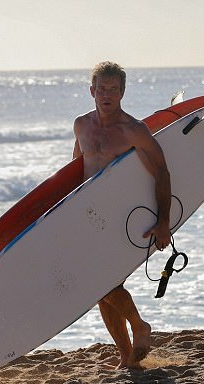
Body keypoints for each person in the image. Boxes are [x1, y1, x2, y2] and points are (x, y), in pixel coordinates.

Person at [73, 61, 172, 368]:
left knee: (101, 284)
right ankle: (127, 357)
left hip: (120, 216)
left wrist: (164, 221)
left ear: (122, 92)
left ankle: (140, 326)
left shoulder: (133, 130)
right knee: (102, 289)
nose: (106, 95)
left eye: (113, 90)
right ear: (92, 90)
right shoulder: (81, 125)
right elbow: (75, 170)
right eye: (101, 89)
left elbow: (162, 172)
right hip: (90, 216)